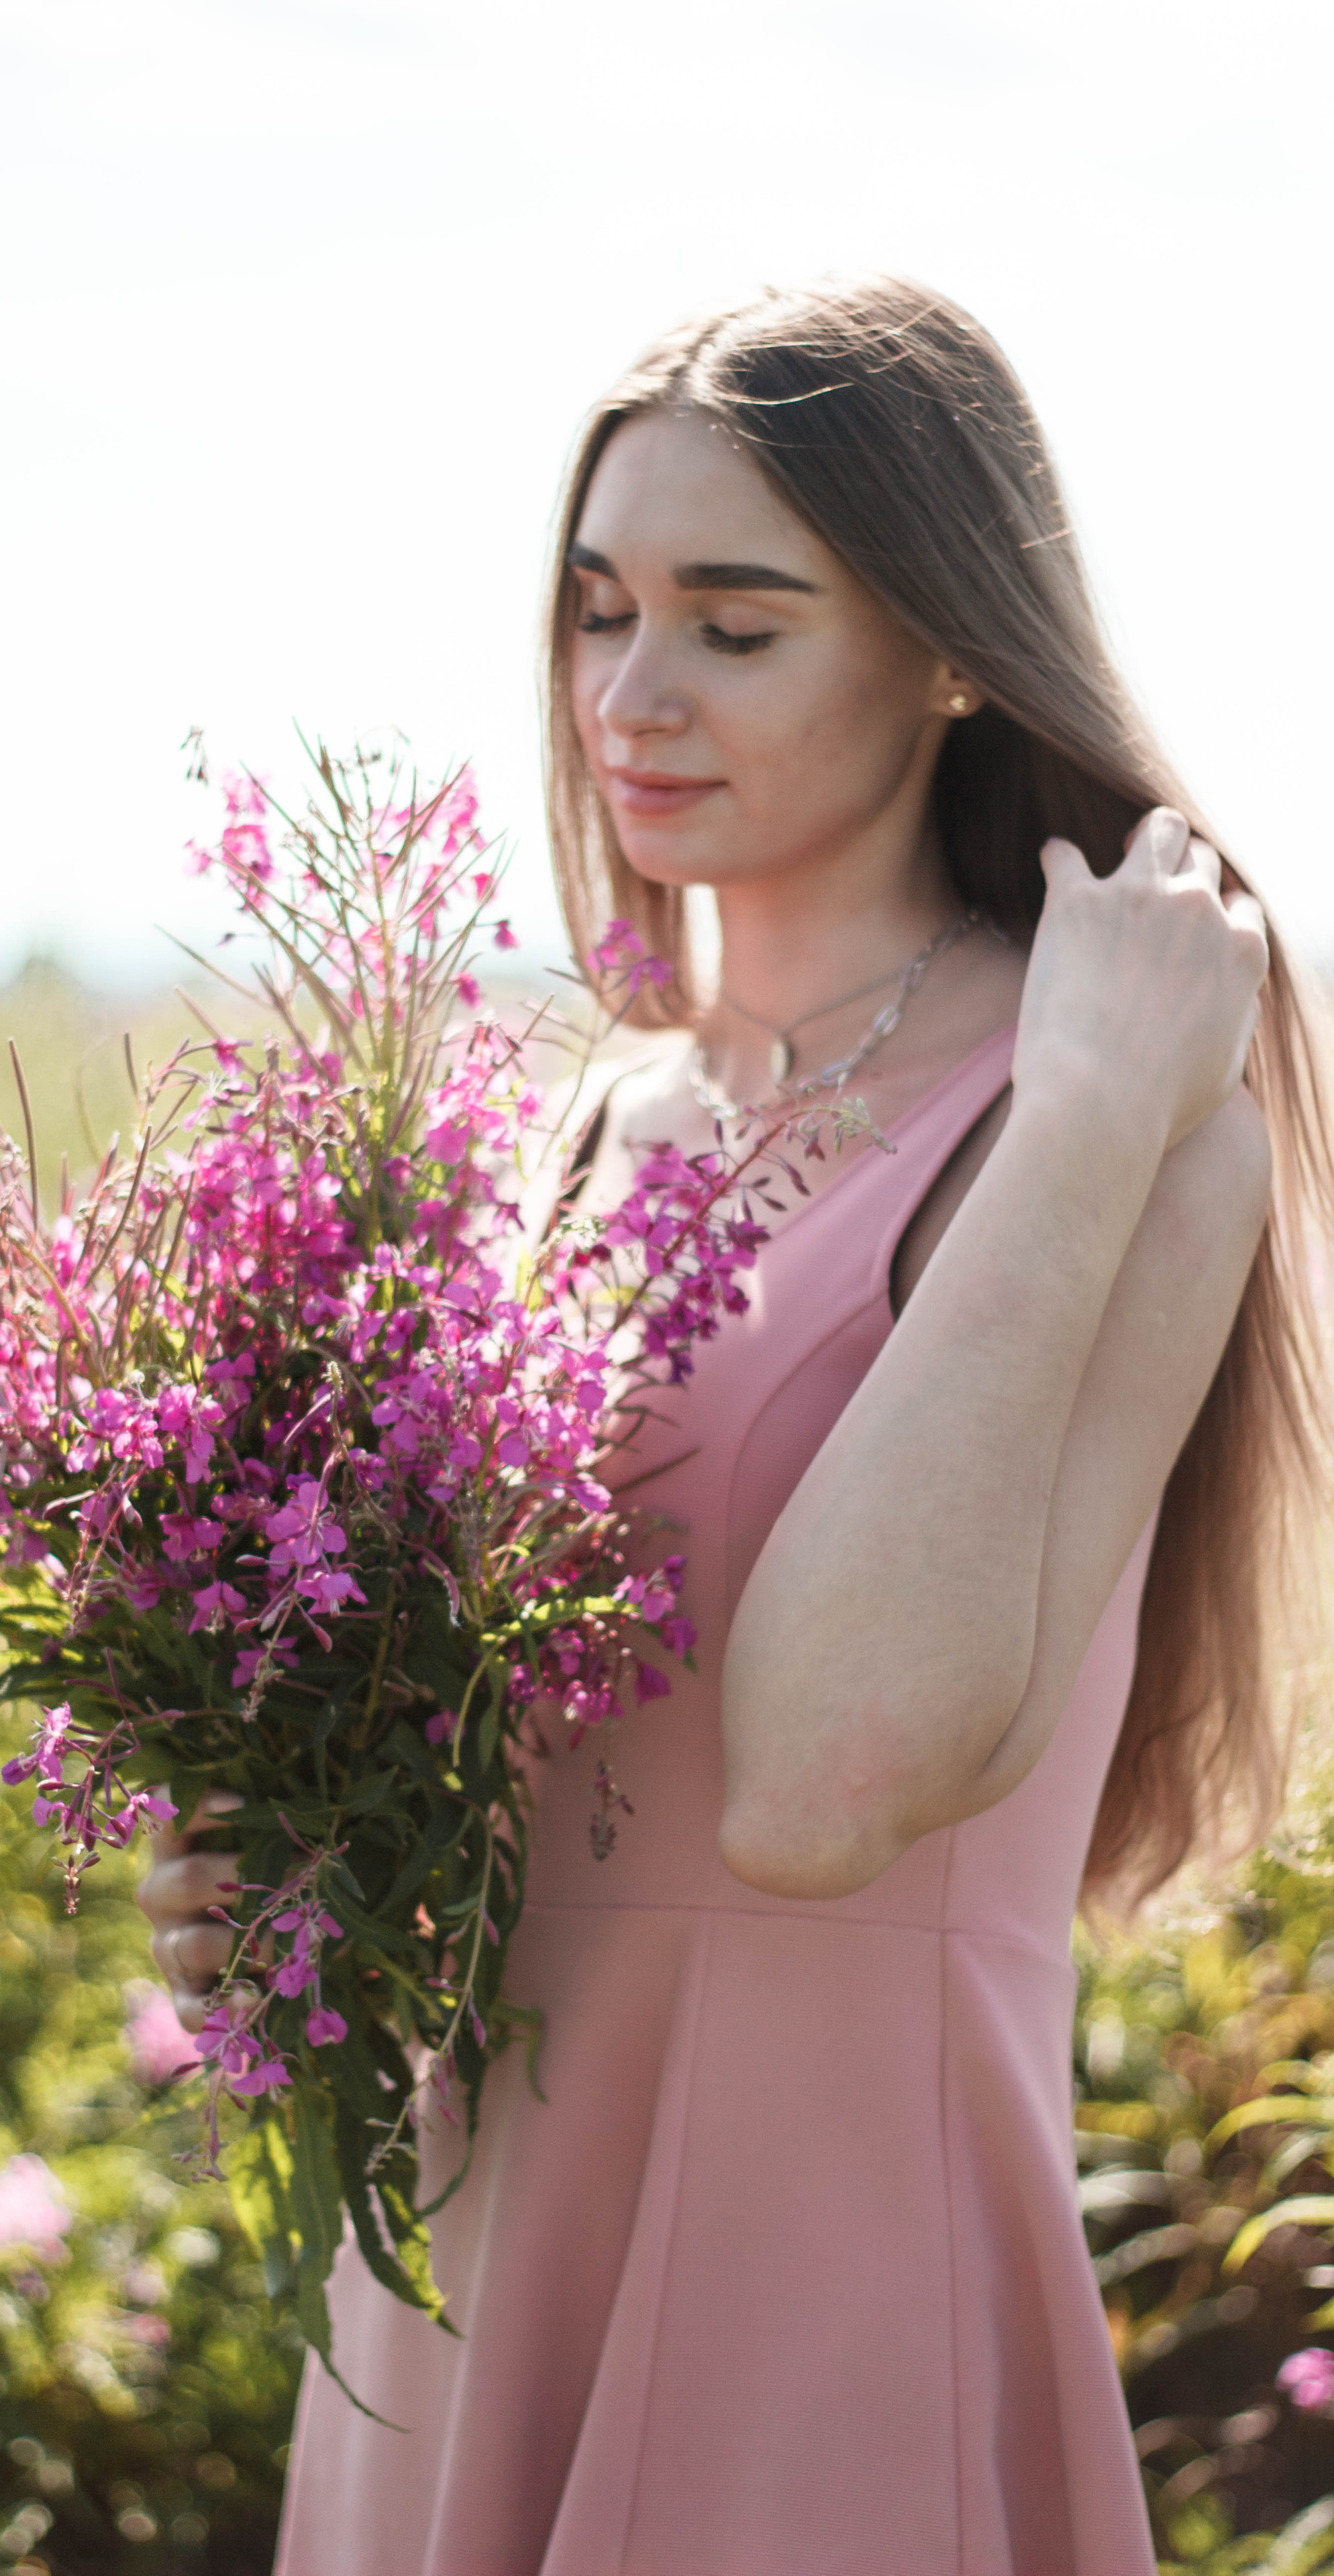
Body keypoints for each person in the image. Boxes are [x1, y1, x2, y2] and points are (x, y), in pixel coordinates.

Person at [138, 277, 1333, 2574]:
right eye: (599, 613)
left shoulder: (1123, 1117)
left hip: (830, 2242)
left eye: (734, 623)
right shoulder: (571, 1141)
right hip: (476, 2241)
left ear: (953, 648)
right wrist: (274, 1879)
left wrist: (1079, 1121)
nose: (629, 695)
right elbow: (489, 1765)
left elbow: (816, 1786)